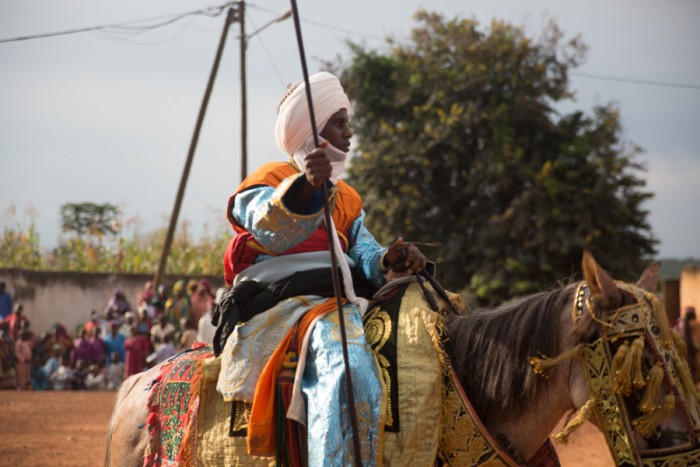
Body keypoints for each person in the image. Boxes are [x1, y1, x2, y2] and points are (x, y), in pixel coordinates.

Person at [216, 71, 426, 464]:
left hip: (343, 297)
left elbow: (365, 252)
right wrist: (305, 190)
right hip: (287, 301)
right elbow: (269, 228)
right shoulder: (268, 179)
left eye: (347, 122)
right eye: (339, 122)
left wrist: (390, 259)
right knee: (348, 368)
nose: (349, 134)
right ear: (312, 132)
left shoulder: (348, 197)